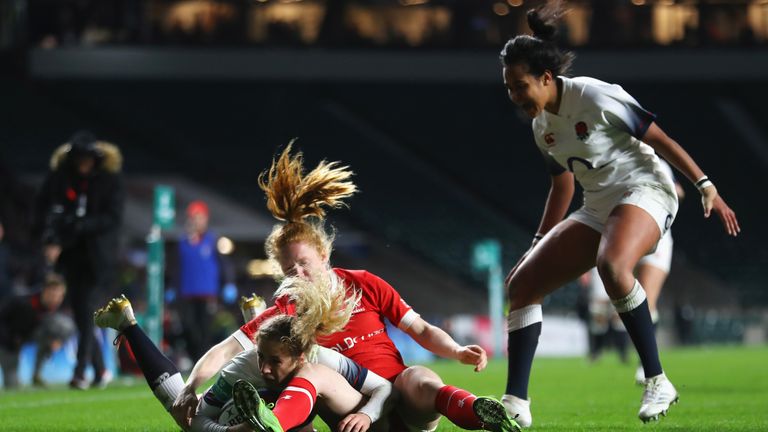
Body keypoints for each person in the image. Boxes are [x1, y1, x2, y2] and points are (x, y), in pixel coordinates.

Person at [498, 3, 740, 426]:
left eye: (520, 86)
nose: (515, 97)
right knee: (521, 285)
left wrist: (705, 186)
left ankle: (657, 379)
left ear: (546, 78)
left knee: (613, 265)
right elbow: (562, 185)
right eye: (509, 89)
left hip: (647, 189)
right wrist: (536, 246)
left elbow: (660, 138)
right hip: (598, 205)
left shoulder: (593, 94)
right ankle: (515, 404)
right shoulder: (542, 127)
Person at [172, 143, 520, 432]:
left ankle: (484, 414)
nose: (298, 273)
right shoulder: (287, 311)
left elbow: (422, 330)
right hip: (353, 412)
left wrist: (457, 351)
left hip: (400, 399)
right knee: (312, 371)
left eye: (303, 263)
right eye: (288, 268)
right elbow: (228, 349)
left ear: (324, 255)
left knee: (419, 377)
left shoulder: (364, 283)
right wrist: (190, 386)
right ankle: (271, 426)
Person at [93, 273, 393, 432]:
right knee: (180, 408)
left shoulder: (321, 358)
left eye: (274, 361)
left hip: (323, 404)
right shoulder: (245, 367)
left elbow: (383, 386)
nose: (263, 367)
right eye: (262, 357)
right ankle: (129, 325)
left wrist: (367, 415)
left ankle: (128, 324)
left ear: (301, 356)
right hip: (283, 408)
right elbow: (195, 420)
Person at [33, 130, 125, 389]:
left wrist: (82, 224)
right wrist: (52, 238)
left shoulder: (109, 181)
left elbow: (113, 218)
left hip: (99, 259)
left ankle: (80, 372)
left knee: (86, 311)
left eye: (88, 158)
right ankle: (101, 370)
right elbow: (45, 207)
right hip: (72, 257)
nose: (83, 163)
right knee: (81, 314)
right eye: (79, 158)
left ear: (95, 159)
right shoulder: (61, 178)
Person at [632, 158, 684, 384]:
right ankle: (646, 363)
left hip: (659, 236)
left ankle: (647, 366)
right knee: (633, 300)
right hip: (628, 235)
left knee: (646, 299)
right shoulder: (618, 154)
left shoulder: (659, 162)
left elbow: (679, 191)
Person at [175, 200, 231, 361]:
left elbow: (224, 264)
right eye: (193, 217)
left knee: (205, 329)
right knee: (188, 327)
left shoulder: (212, 241)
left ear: (205, 219)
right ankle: (195, 359)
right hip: (187, 294)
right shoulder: (183, 242)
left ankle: (204, 361)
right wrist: (173, 288)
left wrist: (228, 283)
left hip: (207, 294)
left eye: (199, 217)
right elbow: (177, 268)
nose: (196, 221)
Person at [0, 273, 74, 388]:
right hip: (8, 339)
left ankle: (37, 375)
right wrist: (10, 341)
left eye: (59, 296)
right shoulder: (24, 302)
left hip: (29, 334)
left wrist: (58, 340)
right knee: (12, 385)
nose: (55, 299)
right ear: (43, 291)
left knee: (63, 325)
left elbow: (68, 328)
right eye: (51, 295)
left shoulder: (59, 308)